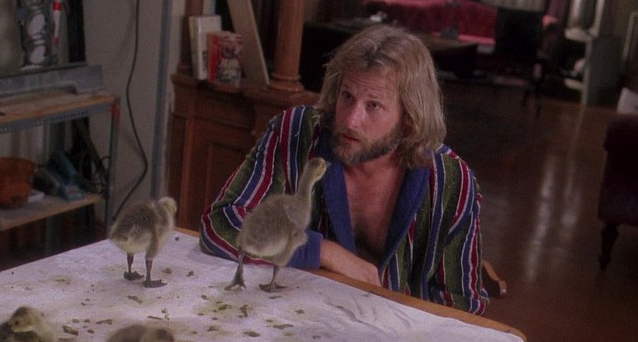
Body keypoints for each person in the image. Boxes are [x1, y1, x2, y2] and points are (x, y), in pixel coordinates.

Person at [199, 24, 488, 315]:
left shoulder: (451, 183)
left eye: (373, 106)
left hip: (398, 335)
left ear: (409, 119)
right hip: (294, 319)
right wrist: (321, 251)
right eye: (347, 96)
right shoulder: (296, 134)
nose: (350, 121)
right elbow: (221, 223)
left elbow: (463, 309)